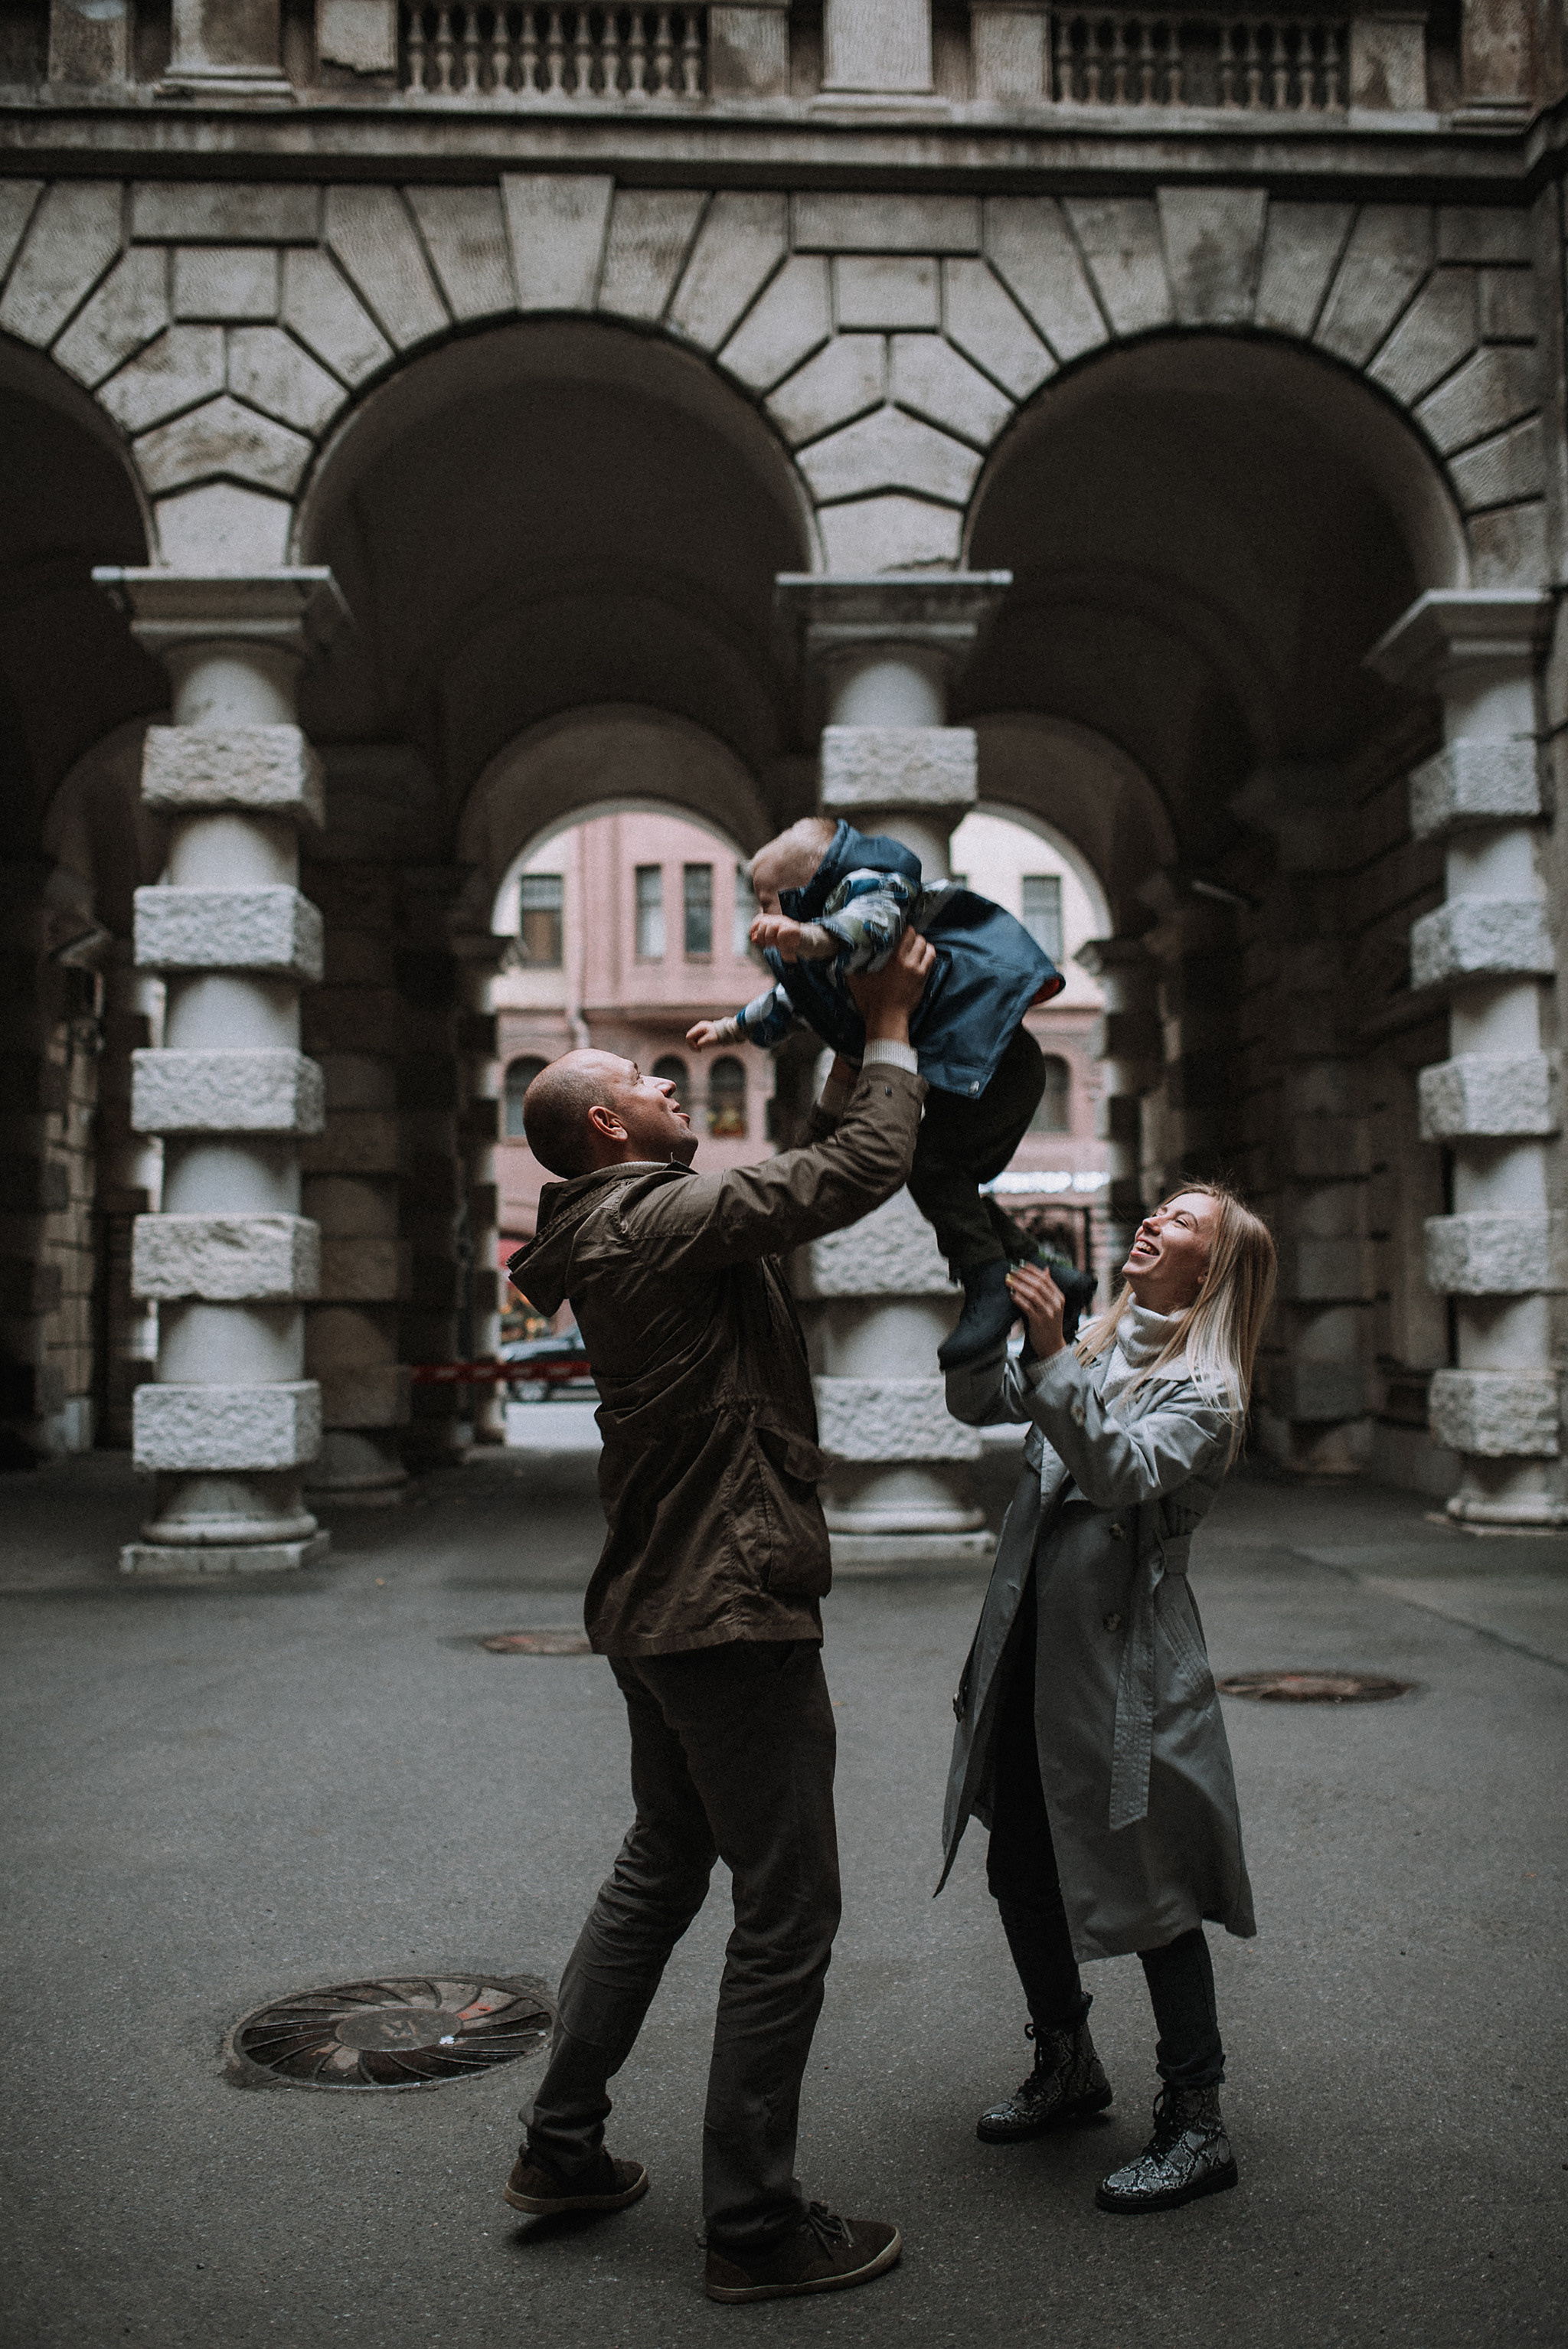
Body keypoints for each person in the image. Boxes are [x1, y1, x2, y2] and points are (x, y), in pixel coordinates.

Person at [501, 929, 936, 2305]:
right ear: (611, 1122)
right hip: (726, 1607)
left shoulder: (615, 1225)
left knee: (661, 1861)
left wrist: (820, 1023)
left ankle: (560, 2147)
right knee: (786, 1905)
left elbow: (783, 1184)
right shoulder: (652, 1219)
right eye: (649, 1082)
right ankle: (751, 2221)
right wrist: (889, 1029)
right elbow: (853, 1171)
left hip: (653, 1604)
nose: (680, 1089)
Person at [939, 1184, 1277, 2213]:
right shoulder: (1093, 1343)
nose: (1154, 1224)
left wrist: (1050, 1355)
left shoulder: (1207, 1389)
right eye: (1159, 1210)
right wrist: (986, 1313)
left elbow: (1119, 1469)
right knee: (1022, 1868)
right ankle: (1068, 2062)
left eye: (1181, 1222)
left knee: (1152, 1889)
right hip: (1033, 1650)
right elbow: (976, 1405)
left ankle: (1197, 2119)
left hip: (1128, 1673)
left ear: (1211, 1270)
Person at [687, 815, 1064, 1371]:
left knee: (933, 1169)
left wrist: (806, 937)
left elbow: (871, 929)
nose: (762, 919)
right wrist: (732, 1029)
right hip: (971, 1069)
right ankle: (1047, 1273)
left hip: (1000, 1065)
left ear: (809, 888)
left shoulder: (868, 888)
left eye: (770, 902)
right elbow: (791, 1005)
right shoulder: (823, 963)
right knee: (943, 1179)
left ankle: (990, 1285)